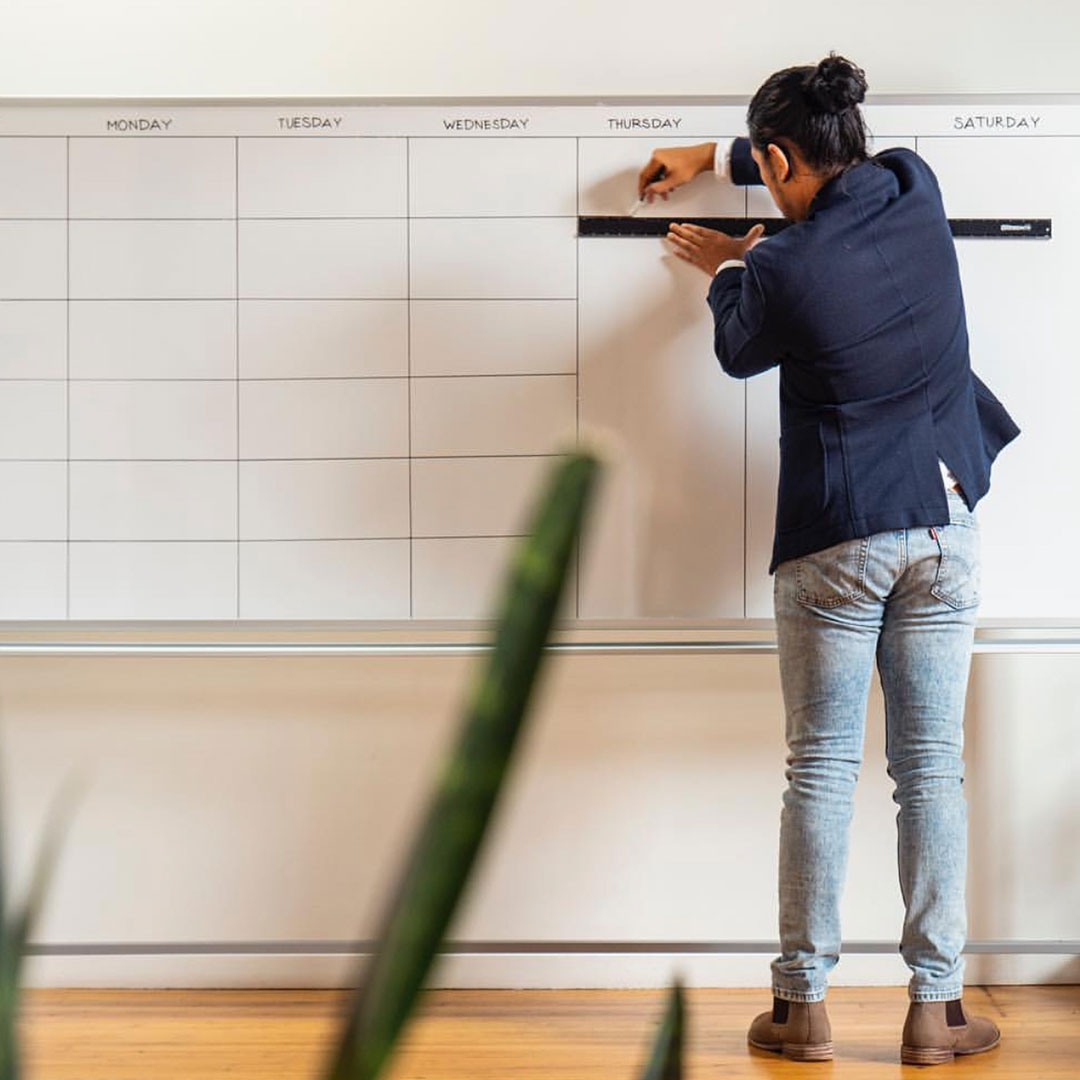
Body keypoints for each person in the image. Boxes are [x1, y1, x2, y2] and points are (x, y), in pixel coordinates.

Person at [639, 54, 1019, 1066]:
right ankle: (938, 1011)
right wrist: (720, 162)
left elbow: (738, 347)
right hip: (944, 521)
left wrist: (732, 264)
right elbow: (816, 184)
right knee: (931, 770)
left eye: (765, 168)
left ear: (778, 159)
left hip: (840, 534)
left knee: (820, 770)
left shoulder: (780, 271)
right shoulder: (915, 186)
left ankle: (801, 1008)